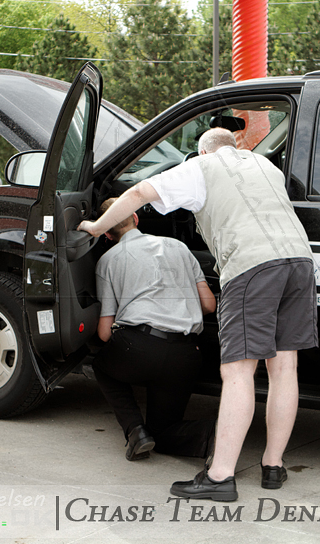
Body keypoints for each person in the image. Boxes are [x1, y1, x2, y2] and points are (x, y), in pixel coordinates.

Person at [79, 127, 317, 501]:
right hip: (300, 262)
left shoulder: (202, 168)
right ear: (235, 146)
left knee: (239, 370)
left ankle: (220, 476)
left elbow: (140, 192)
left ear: (203, 153)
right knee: (285, 367)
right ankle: (273, 465)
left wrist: (96, 226)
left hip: (252, 265)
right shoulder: (264, 164)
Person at [91, 197, 217, 461]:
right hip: (185, 354)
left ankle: (136, 431)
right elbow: (209, 304)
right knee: (165, 431)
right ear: (136, 218)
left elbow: (104, 333)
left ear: (106, 233)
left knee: (103, 367)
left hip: (139, 347)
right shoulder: (178, 247)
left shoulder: (108, 260)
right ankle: (212, 433)